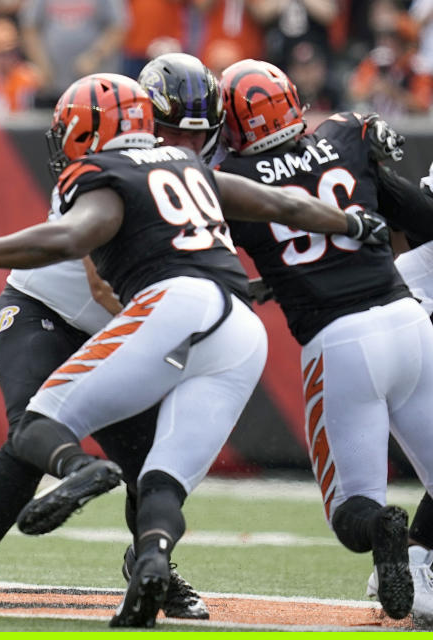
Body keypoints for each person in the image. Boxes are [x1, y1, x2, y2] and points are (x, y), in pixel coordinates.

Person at [0, 73, 387, 627]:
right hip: (45, 312)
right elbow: (103, 282)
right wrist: (348, 222)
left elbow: (257, 212)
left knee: (147, 462)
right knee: (27, 437)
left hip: (141, 317)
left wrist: (198, 309)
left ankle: (150, 563)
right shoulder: (134, 176)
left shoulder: (131, 170)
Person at [216, 57, 433, 622]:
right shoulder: (346, 135)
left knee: (353, 511)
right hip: (409, 322)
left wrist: (267, 280)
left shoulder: (228, 180)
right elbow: (423, 217)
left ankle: (389, 535)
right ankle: (422, 566)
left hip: (339, 342)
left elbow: (204, 266)